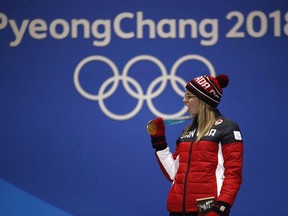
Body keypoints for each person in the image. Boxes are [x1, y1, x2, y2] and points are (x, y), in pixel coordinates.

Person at [148, 74, 243, 216]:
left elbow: (233, 174)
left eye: (189, 96)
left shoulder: (227, 128)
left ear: (203, 100)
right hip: (177, 210)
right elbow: (173, 174)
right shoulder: (187, 132)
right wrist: (159, 142)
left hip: (208, 211)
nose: (184, 100)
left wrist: (222, 207)